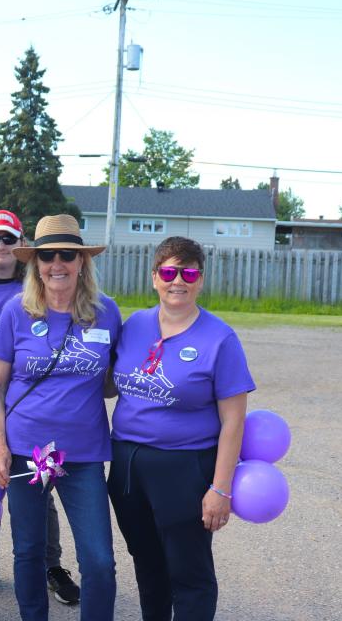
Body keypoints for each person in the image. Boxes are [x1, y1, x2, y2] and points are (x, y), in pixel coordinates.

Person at [107, 236, 254, 620]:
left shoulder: (219, 338)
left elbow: (234, 420)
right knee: (147, 562)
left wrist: (220, 488)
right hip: (127, 465)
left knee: (189, 571)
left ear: (200, 280)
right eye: (169, 271)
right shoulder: (134, 325)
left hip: (185, 467)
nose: (179, 281)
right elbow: (108, 381)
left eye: (189, 272)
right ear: (154, 277)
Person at [0, 214, 120, 621]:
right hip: (27, 452)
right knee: (28, 551)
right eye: (47, 255)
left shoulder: (106, 312)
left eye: (67, 254)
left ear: (82, 261)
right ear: (36, 262)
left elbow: (116, 381)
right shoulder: (16, 311)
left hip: (81, 456)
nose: (56, 263)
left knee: (98, 559)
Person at [0, 210, 80, 604]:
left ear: (22, 245)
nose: (2, 247)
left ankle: (51, 566)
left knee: (40, 490)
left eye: (10, 239)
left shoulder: (41, 288)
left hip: (31, 416)